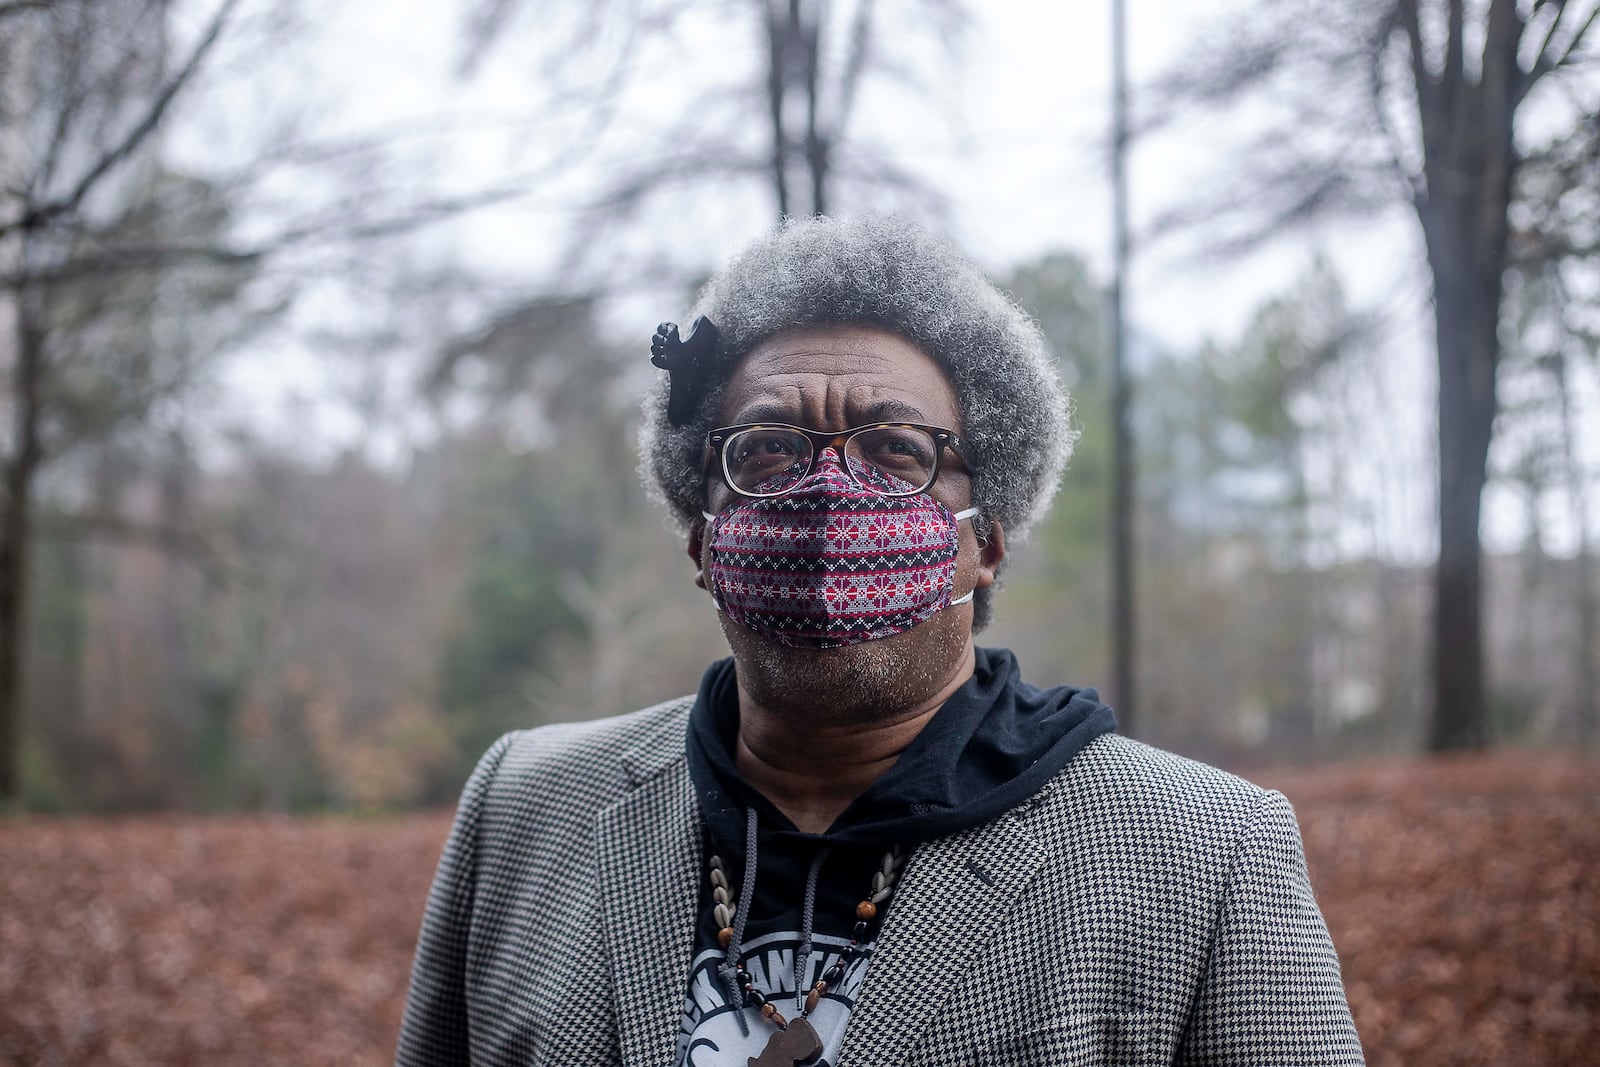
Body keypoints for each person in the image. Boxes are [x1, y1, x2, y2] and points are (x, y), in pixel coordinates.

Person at [396, 215, 1363, 1067]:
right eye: (768, 448)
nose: (826, 500)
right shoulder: (523, 808)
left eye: (896, 451)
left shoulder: (1201, 854)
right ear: (702, 535)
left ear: (983, 544)